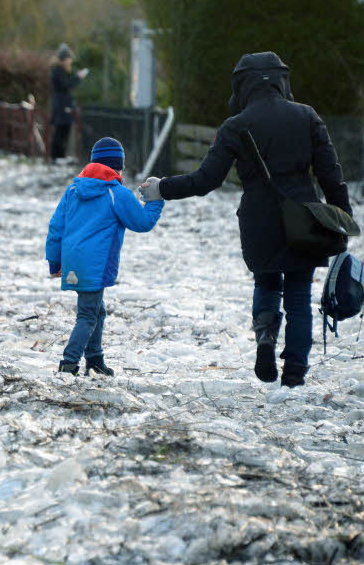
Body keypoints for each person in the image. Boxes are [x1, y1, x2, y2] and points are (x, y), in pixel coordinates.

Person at [139, 52, 351, 388]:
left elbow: (205, 180)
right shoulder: (307, 117)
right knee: (298, 296)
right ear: (283, 81)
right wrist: (342, 217)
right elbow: (331, 176)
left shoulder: (236, 126)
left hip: (259, 220)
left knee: (266, 283)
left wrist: (162, 188)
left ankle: (265, 340)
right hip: (304, 219)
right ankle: (295, 372)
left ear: (243, 86)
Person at [46, 137, 165, 376]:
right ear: (118, 166)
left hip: (72, 261)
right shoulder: (116, 193)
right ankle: (69, 364)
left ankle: (95, 359)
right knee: (88, 315)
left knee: (96, 311)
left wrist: (55, 261)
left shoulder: (73, 190)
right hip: (95, 265)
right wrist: (155, 200)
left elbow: (56, 227)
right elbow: (142, 223)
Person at [49, 44, 88, 160]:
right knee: (60, 133)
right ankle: (57, 157)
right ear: (64, 59)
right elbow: (66, 85)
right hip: (61, 107)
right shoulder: (58, 71)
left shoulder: (60, 71)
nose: (70, 61)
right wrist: (78, 78)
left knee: (63, 132)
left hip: (62, 106)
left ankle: (59, 157)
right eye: (69, 58)